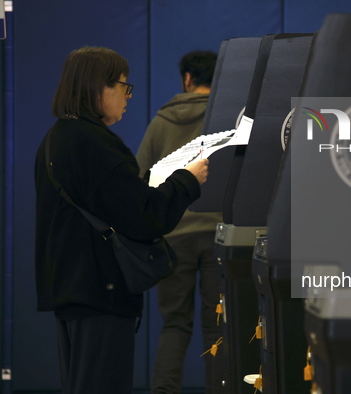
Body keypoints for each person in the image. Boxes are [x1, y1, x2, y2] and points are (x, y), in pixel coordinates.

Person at [34, 46, 209, 394]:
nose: (127, 96)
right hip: (101, 290)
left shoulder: (55, 139)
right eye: (123, 86)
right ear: (98, 86)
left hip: (69, 288)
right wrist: (188, 179)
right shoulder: (95, 143)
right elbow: (146, 215)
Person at [136, 50, 223, 394]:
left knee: (175, 324)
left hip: (173, 237)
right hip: (220, 236)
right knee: (218, 326)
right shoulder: (226, 120)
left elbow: (140, 179)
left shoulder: (161, 122)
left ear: (187, 78)